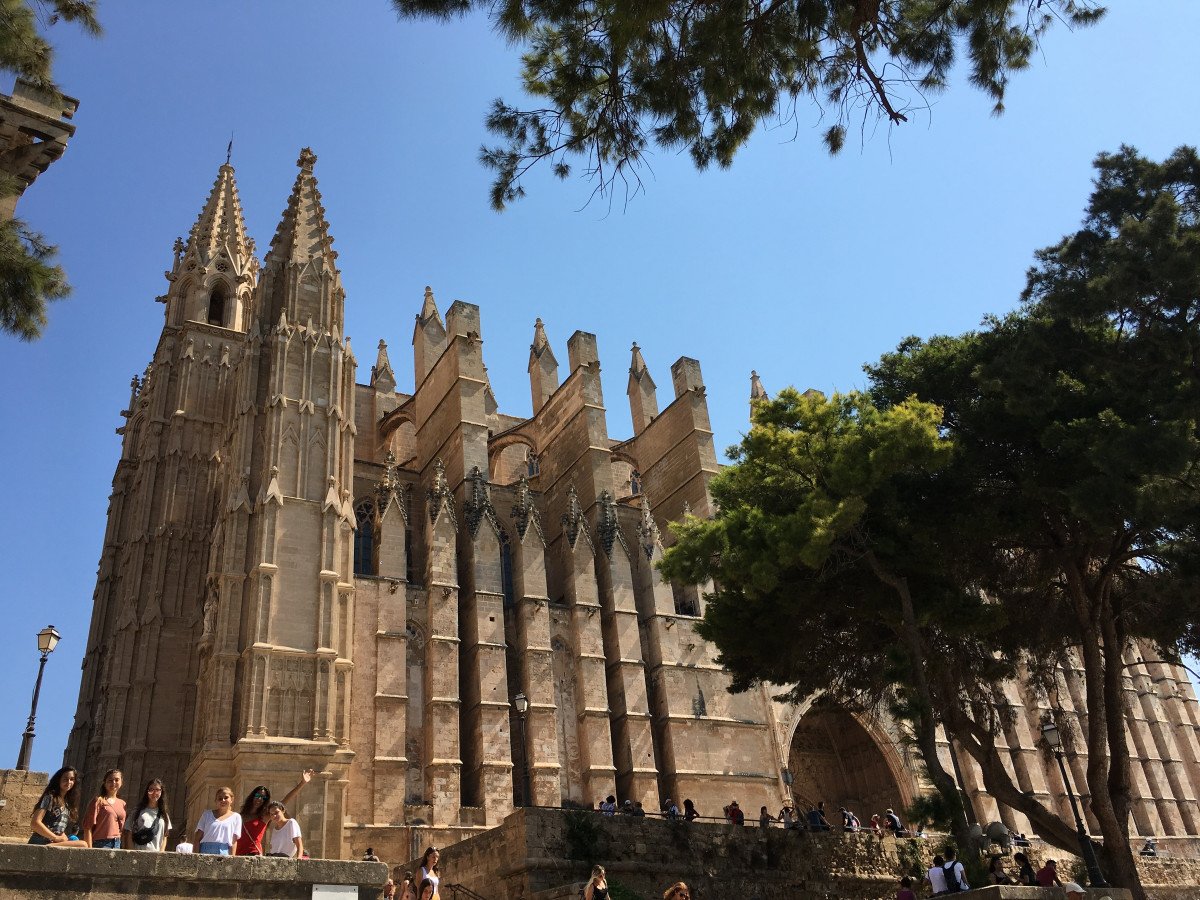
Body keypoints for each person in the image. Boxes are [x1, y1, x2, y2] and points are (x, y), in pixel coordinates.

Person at [237, 768, 315, 856]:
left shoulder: (264, 816)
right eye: (258, 795)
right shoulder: (239, 816)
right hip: (237, 853)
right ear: (252, 796)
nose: (260, 799)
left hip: (253, 854)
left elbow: (283, 802)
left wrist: (302, 783)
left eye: (263, 798)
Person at [29, 765, 85, 847]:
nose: (69, 782)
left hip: (55, 842)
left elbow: (57, 827)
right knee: (83, 844)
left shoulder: (67, 804)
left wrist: (63, 836)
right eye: (65, 779)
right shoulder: (49, 798)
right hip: (42, 840)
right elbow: (35, 823)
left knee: (83, 844)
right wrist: (55, 837)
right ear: (59, 780)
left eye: (72, 779)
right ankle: (49, 846)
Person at [82, 768, 126, 849]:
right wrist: (89, 850)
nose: (113, 783)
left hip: (117, 843)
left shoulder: (122, 803)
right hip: (100, 843)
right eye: (110, 780)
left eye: (117, 780)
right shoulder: (98, 801)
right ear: (105, 783)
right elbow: (87, 827)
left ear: (121, 782)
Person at [123, 777, 172, 851]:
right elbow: (129, 833)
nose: (154, 793)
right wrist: (132, 853)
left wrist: (161, 855)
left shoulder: (164, 815)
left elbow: (164, 837)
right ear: (147, 792)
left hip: (156, 855)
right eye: (151, 790)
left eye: (157, 790)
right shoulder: (137, 811)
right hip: (138, 853)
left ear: (161, 792)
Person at [193, 785, 243, 855]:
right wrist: (195, 856)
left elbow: (233, 842)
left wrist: (232, 859)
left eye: (226, 798)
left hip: (224, 852)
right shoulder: (207, 814)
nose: (223, 800)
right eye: (220, 798)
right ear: (216, 801)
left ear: (231, 799)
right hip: (204, 851)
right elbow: (197, 839)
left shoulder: (236, 817)